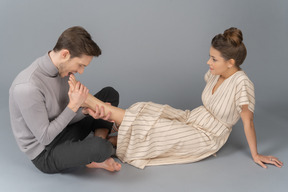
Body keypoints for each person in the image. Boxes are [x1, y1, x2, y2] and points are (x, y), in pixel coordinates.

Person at [69, 27, 283, 169]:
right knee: (148, 109)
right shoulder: (218, 73)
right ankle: (101, 142)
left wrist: (256, 155)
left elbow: (248, 122)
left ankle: (88, 101)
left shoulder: (242, 84)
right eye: (210, 56)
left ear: (231, 62)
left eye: (214, 58)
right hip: (194, 117)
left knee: (155, 128)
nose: (208, 62)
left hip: (207, 136)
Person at [9, 26, 121, 173]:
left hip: (64, 129)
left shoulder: (62, 71)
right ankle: (98, 148)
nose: (80, 71)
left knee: (109, 93)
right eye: (80, 65)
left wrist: (85, 111)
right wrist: (75, 106)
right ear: (65, 54)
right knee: (102, 148)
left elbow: (62, 115)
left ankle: (98, 142)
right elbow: (45, 137)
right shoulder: (27, 87)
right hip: (46, 152)